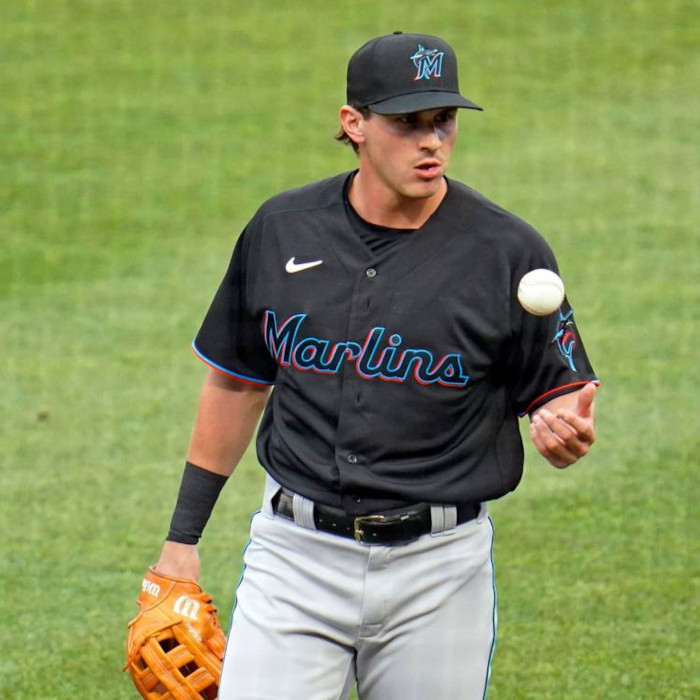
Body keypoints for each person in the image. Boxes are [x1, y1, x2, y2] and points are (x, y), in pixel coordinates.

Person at [153, 31, 599, 699]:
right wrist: (180, 543)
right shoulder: (282, 228)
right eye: (407, 123)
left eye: (443, 120)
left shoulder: (508, 251)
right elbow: (236, 381)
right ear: (354, 124)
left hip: (440, 573)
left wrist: (563, 426)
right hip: (295, 560)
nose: (431, 142)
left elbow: (560, 388)